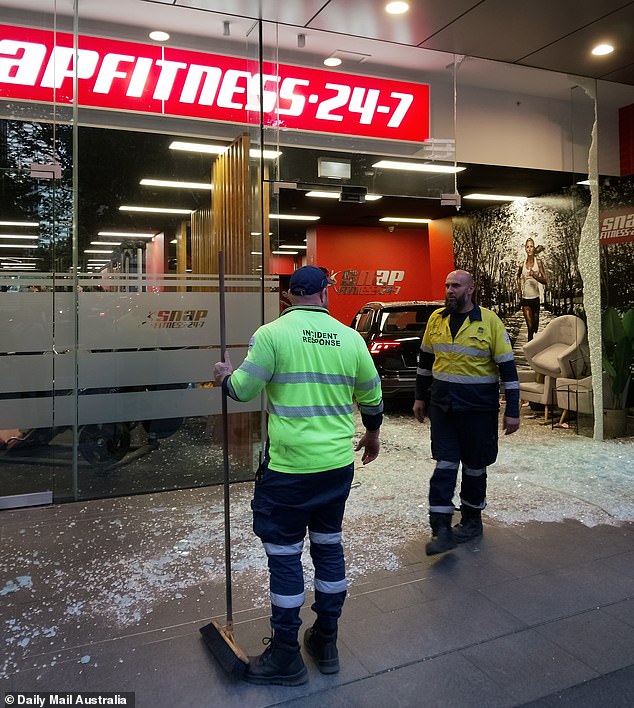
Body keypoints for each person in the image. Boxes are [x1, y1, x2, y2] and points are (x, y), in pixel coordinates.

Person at [213, 264, 383, 686]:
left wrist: (223, 377)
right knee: (328, 546)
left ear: (290, 296)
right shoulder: (351, 338)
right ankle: (326, 640)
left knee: (286, 556)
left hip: (289, 470)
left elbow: (243, 389)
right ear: (325, 293)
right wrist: (373, 435)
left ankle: (286, 654)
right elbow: (373, 394)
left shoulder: (271, 335)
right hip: (335, 469)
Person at [412, 270, 520, 556]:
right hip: (443, 407)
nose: (450, 290)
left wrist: (513, 409)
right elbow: (425, 362)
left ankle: (472, 520)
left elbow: (508, 370)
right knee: (445, 465)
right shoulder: (437, 319)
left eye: (456, 286)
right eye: (447, 285)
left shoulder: (490, 322)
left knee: (474, 466)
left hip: (478, 410)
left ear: (470, 289)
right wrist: (419, 397)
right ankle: (442, 529)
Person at [516, 237, 547, 341]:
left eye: (531, 246)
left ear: (534, 248)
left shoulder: (538, 262)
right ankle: (530, 352)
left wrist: (534, 275)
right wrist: (519, 290)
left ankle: (532, 343)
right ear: (525, 249)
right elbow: (517, 277)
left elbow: (545, 280)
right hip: (526, 300)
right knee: (529, 327)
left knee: (535, 328)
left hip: (535, 299)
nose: (529, 249)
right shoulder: (522, 265)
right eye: (527, 247)